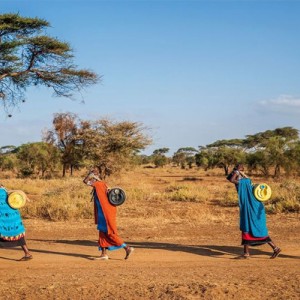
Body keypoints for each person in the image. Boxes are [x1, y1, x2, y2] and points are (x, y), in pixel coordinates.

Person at [229, 164, 281, 259]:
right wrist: (237, 171)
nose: (234, 173)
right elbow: (229, 178)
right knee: (251, 229)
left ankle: (247, 253)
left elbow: (232, 180)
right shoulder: (247, 183)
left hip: (252, 210)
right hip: (253, 209)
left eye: (235, 171)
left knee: (250, 228)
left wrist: (237, 171)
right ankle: (274, 249)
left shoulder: (243, 183)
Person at [83, 169, 134, 260]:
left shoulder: (99, 184)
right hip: (103, 213)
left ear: (95, 176)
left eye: (91, 175)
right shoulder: (102, 184)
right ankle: (104, 254)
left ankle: (127, 248)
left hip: (105, 213)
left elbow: (85, 181)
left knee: (110, 233)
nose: (90, 177)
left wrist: (90, 175)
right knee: (102, 233)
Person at [0, 184, 33, 261]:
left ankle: (27, 253)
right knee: (18, 235)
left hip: (4, 218)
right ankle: (27, 253)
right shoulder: (4, 190)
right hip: (13, 216)